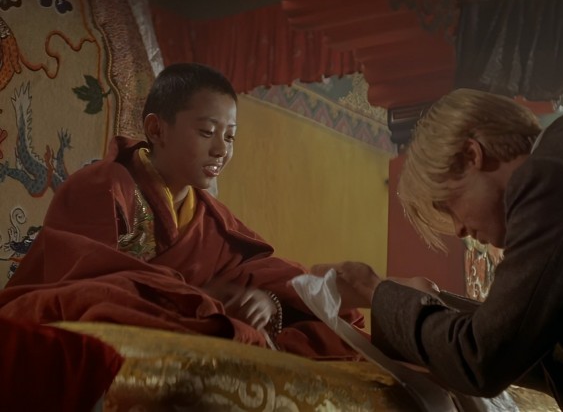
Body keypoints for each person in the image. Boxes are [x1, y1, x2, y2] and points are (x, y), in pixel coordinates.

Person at [327, 88, 563, 411]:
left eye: (449, 205)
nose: (459, 228)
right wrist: (418, 303)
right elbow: (539, 348)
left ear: (471, 155)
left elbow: (482, 360)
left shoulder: (553, 177)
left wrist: (373, 290)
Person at [0, 63, 363, 359]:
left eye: (230, 136)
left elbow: (271, 279)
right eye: (207, 132)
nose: (221, 149)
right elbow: (85, 284)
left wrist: (269, 302)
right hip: (87, 319)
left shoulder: (215, 222)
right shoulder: (103, 185)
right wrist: (205, 298)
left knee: (336, 321)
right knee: (105, 300)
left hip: (184, 320)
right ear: (156, 129)